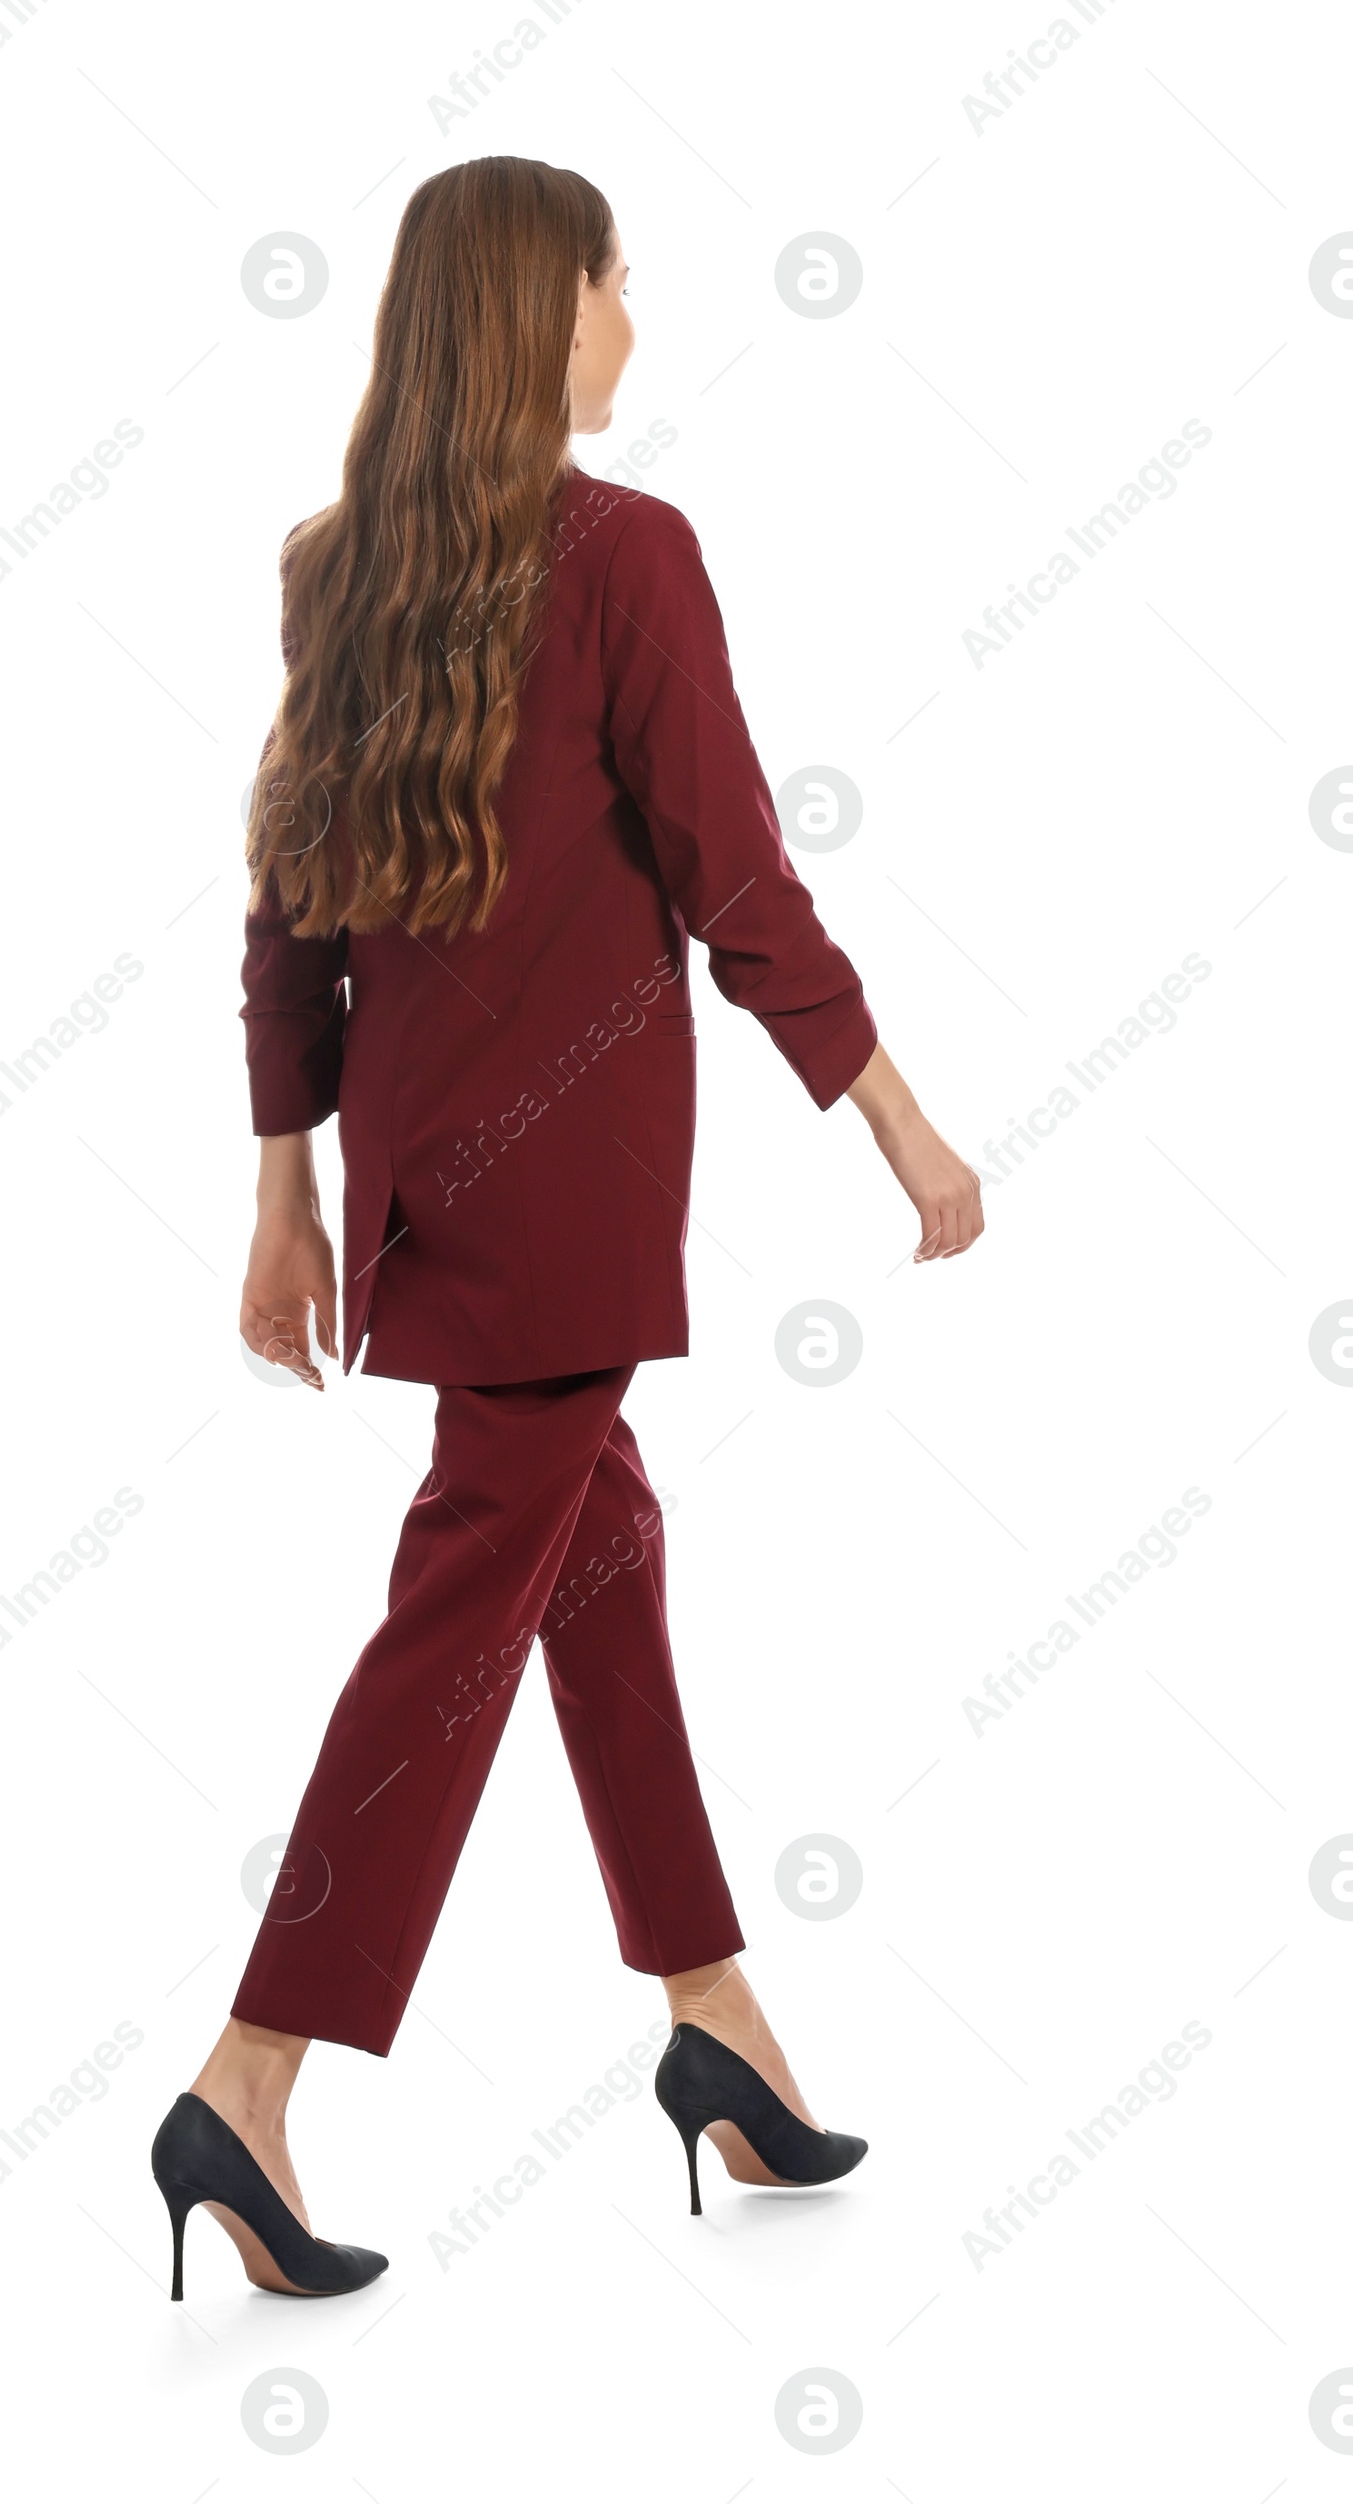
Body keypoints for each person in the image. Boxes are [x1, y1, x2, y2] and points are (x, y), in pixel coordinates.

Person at [150, 156, 985, 2300]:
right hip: (576, 1194)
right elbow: (733, 876)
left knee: (594, 1572)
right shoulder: (627, 555)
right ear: (540, 313)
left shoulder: (335, 565)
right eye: (617, 282)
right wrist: (900, 1124)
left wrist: (287, 1181)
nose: (635, 318)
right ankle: (245, 2085)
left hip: (433, 1179)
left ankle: (716, 2026)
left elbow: (285, 912)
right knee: (452, 1634)